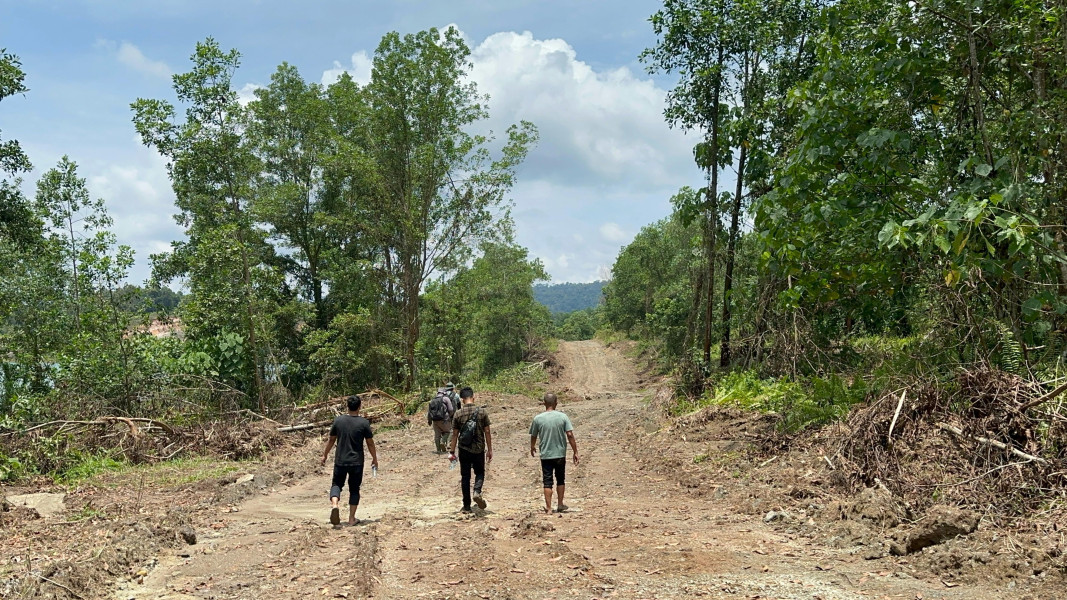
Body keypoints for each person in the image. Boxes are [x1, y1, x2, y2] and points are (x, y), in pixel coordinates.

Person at [320, 395, 378, 527]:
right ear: (359, 407)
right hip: (357, 462)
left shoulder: (338, 421)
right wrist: (374, 458)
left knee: (336, 484)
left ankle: (335, 505)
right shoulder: (364, 423)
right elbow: (370, 443)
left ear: (347, 406)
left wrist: (325, 455)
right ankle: (351, 518)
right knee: (354, 489)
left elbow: (331, 440)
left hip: (340, 460)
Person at [529, 392, 579, 514]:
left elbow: (534, 435)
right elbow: (570, 434)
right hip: (560, 454)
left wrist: (532, 446)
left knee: (547, 480)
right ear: (556, 403)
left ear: (544, 403)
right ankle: (560, 504)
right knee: (560, 479)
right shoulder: (563, 417)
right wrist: (575, 451)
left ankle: (549, 508)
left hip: (546, 454)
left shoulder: (538, 418)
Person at [447, 386, 492, 513]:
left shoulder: (458, 413)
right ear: (473, 397)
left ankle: (466, 505)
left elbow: (455, 434)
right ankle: (477, 491)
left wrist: (452, 452)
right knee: (480, 472)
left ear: (462, 400)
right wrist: (489, 449)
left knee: (465, 476)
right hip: (478, 449)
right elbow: (487, 431)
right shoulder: (482, 412)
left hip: (464, 449)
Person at [427, 383, 457, 453]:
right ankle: (443, 442)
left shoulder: (433, 400)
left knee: (437, 435)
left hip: (435, 420)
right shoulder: (446, 398)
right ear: (444, 392)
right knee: (448, 432)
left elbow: (429, 412)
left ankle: (438, 450)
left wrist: (429, 421)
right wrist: (449, 416)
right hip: (444, 420)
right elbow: (451, 409)